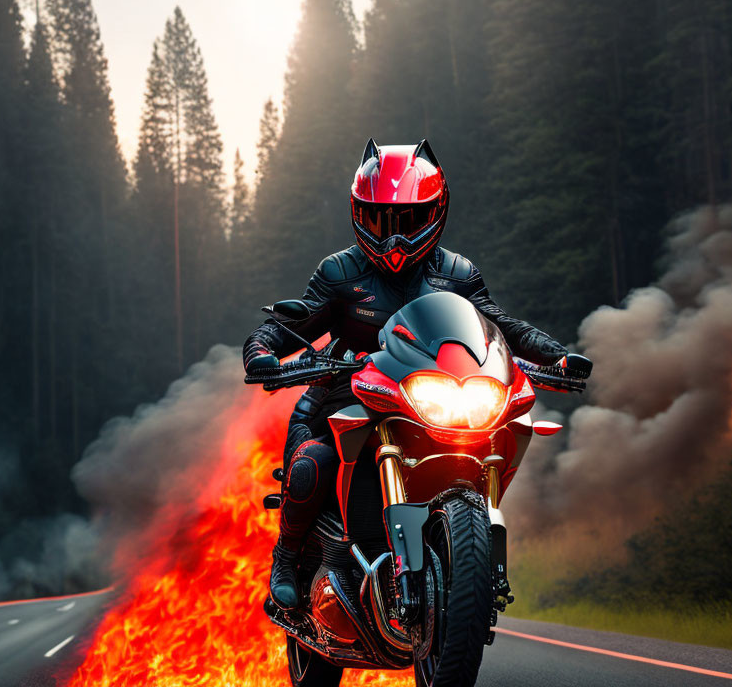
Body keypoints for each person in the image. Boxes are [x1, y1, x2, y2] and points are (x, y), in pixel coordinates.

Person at [243, 138, 592, 610]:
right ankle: (286, 557)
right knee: (313, 464)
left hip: (426, 394)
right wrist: (262, 350)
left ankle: (459, 567)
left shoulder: (458, 273)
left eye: (406, 220)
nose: (392, 236)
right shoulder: (340, 271)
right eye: (377, 219)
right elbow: (291, 322)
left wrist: (556, 356)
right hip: (342, 394)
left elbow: (499, 324)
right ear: (358, 212)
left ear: (434, 212)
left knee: (489, 436)